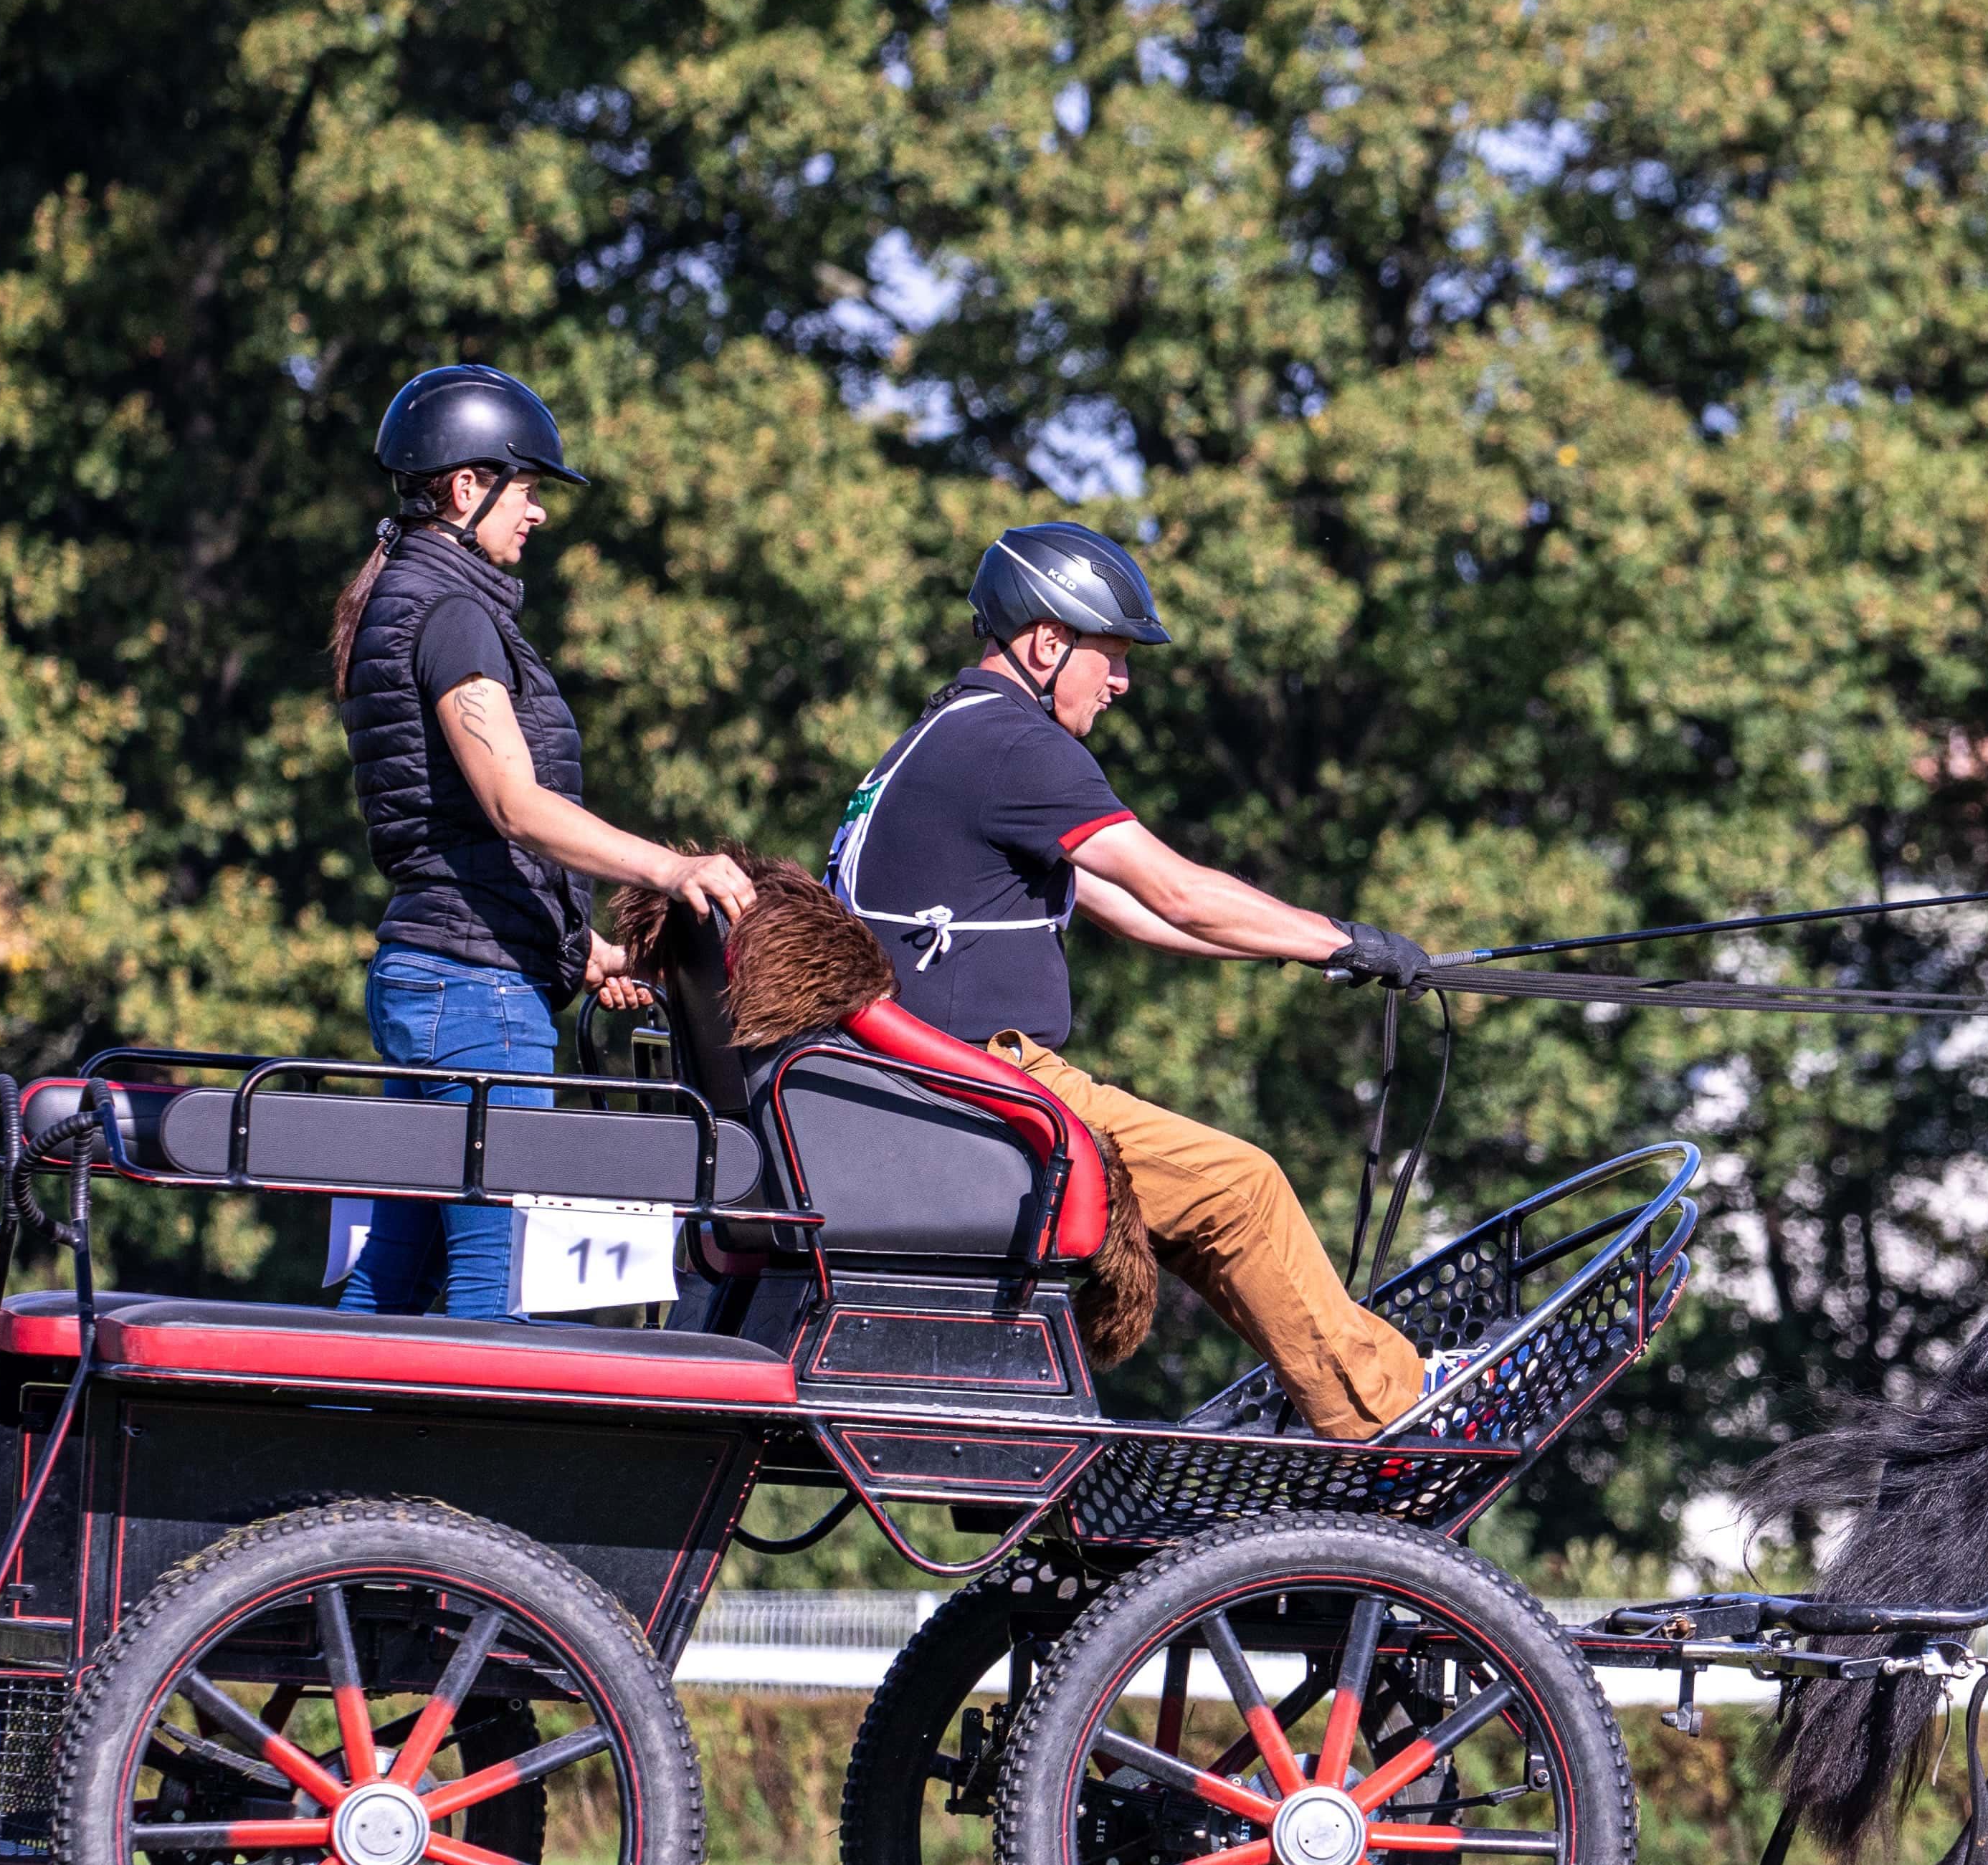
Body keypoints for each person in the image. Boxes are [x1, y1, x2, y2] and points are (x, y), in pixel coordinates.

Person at [827, 521, 1437, 1434]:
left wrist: (1306, 950)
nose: (1121, 683)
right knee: (1242, 1186)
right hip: (985, 1083)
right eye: (1109, 657)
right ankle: (1390, 1413)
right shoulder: (1012, 745)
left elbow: (1130, 910)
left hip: (927, 1079)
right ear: (1046, 642)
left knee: (1211, 1206)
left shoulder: (946, 733)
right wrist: (1341, 937)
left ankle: (1335, 1391)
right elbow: (1180, 891)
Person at [326, 365, 756, 1317]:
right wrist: (670, 867)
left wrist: (585, 950)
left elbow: (460, 841)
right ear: (467, 486)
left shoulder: (413, 596)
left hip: (440, 975)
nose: (540, 515)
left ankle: (324, 1463)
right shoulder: (451, 614)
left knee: (396, 1273)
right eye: (526, 490)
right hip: (475, 997)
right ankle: (443, 1472)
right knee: (491, 1283)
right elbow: (513, 805)